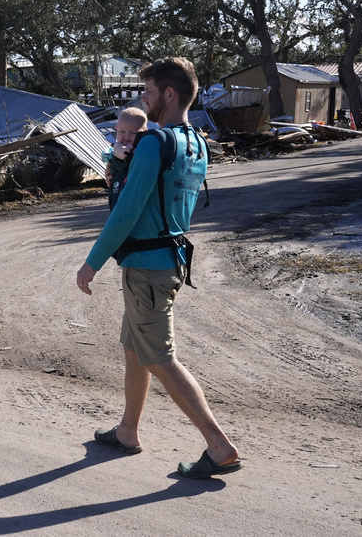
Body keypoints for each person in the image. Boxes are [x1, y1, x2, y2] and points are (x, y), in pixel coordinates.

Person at [76, 57, 242, 480]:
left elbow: (128, 210)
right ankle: (128, 430)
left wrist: (91, 263)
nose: (143, 99)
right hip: (168, 260)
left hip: (147, 268)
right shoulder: (197, 142)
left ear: (169, 94)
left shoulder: (154, 142)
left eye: (148, 92)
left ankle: (218, 445)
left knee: (161, 358)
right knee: (136, 347)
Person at [103, 106, 150, 210]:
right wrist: (126, 153)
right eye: (122, 131)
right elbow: (119, 152)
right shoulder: (118, 146)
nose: (127, 136)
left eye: (133, 133)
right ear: (116, 129)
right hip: (118, 183)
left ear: (144, 132)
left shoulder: (144, 147)